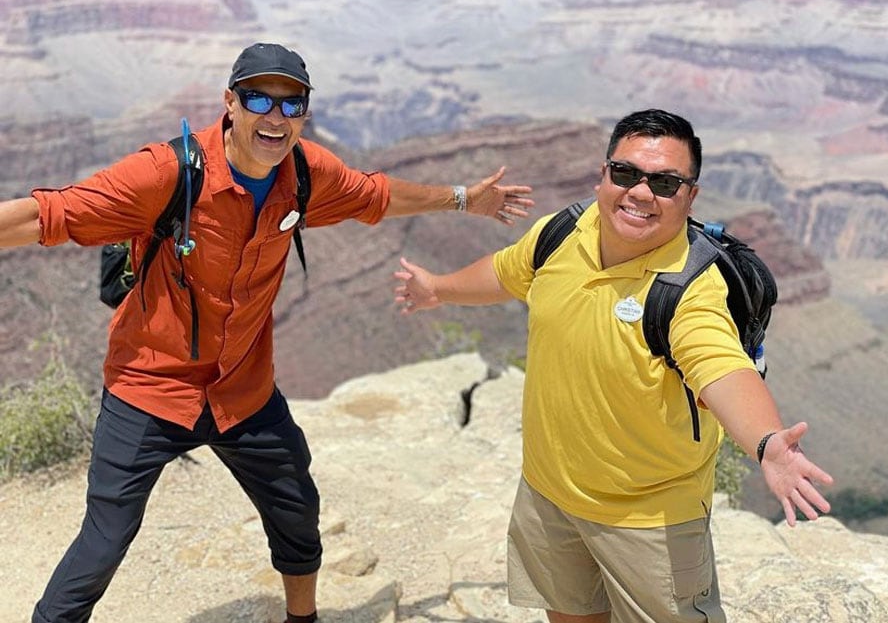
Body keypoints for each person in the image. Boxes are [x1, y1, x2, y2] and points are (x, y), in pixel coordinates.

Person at [0, 41, 535, 623]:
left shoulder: (306, 173)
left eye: (291, 103)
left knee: (297, 511)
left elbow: (378, 195)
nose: (275, 116)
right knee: (103, 543)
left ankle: (302, 619)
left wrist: (464, 199)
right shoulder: (168, 173)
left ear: (304, 114)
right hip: (150, 388)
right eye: (259, 99)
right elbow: (44, 215)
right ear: (230, 103)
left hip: (242, 390)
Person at [393, 109, 834, 623]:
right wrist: (437, 289)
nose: (641, 193)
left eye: (665, 183)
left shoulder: (688, 289)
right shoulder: (564, 232)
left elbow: (720, 365)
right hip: (549, 494)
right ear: (603, 175)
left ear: (690, 196)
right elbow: (507, 271)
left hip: (649, 521)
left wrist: (766, 442)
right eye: (625, 173)